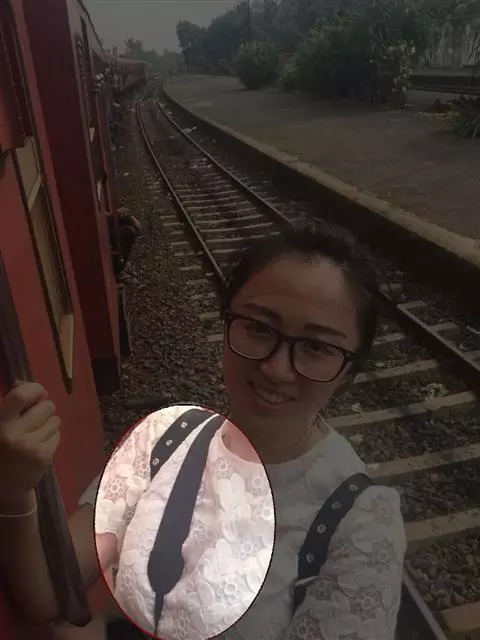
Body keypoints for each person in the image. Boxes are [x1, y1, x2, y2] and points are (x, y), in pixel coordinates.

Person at [0, 220, 406, 640]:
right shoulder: (165, 441)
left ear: (350, 369)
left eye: (317, 347)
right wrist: (13, 490)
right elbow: (50, 592)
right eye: (259, 327)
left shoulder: (360, 522)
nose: (276, 368)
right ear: (227, 323)